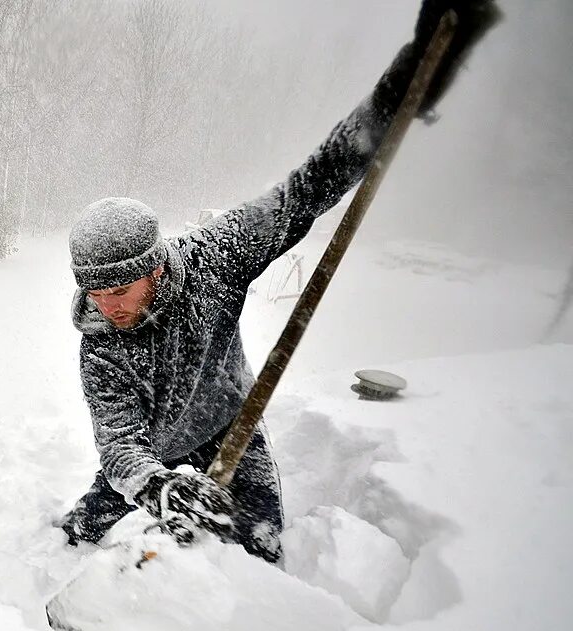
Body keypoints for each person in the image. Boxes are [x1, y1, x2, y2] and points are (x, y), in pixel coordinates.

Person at [59, 0, 499, 561]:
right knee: (77, 535)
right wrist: (159, 485)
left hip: (229, 427)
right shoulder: (100, 344)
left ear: (156, 267)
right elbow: (119, 446)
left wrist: (402, 87)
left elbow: (306, 187)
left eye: (118, 290)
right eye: (94, 292)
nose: (106, 307)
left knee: (260, 550)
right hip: (154, 457)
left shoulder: (212, 261)